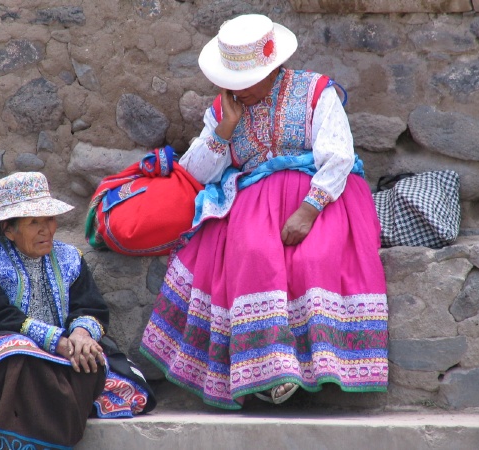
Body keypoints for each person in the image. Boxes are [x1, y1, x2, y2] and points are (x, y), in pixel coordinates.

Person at [140, 14, 388, 409]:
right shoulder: (223, 112)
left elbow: (339, 156)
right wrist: (224, 130)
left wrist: (309, 209)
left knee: (315, 257)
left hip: (322, 195)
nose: (238, 90)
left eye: (246, 82)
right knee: (254, 254)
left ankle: (321, 364)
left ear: (272, 69)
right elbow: (196, 172)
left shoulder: (315, 92)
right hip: (255, 204)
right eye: (231, 83)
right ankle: (269, 371)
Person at [0, 172, 152, 449]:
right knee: (15, 355)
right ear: (8, 229)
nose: (47, 229)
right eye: (34, 222)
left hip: (64, 347)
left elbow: (90, 306)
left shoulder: (70, 257)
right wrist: (56, 342)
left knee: (90, 359)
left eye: (49, 219)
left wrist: (81, 335)